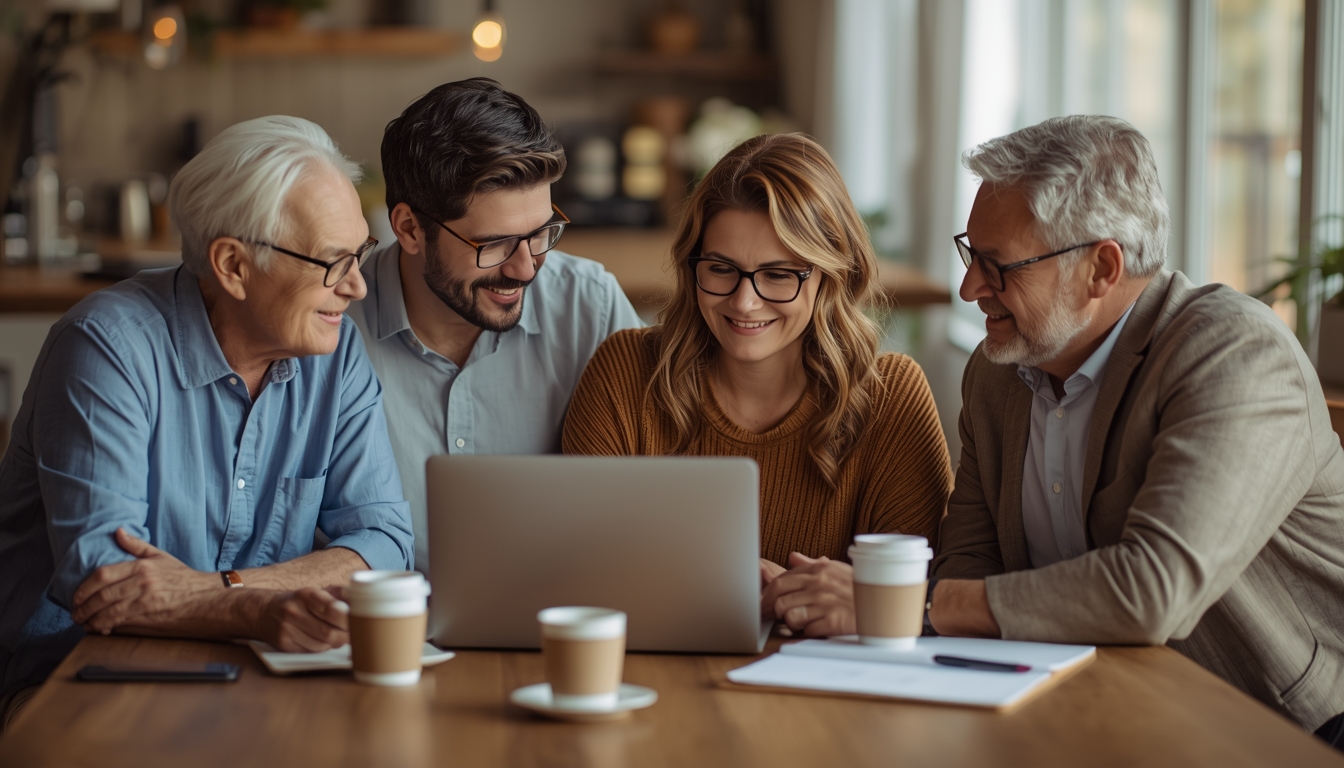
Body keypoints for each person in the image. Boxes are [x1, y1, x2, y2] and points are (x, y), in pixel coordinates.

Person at [929, 115, 1344, 748]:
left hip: (1284, 728)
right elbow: (968, 563)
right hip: (1094, 711)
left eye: (997, 265)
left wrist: (916, 606)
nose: (968, 287)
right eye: (970, 253)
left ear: (1101, 268)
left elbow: (1151, 590)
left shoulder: (1235, 353)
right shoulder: (995, 378)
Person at [0, 116, 415, 730]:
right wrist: (257, 611)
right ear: (233, 265)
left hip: (261, 671)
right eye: (333, 262)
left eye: (361, 254)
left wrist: (218, 590)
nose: (355, 285)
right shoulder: (106, 346)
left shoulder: (337, 355)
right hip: (77, 679)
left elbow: (383, 543)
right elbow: (102, 581)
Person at [562, 133, 954, 638]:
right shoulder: (626, 373)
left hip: (834, 696)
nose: (744, 303)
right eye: (722, 269)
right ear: (692, 266)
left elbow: (915, 600)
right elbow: (577, 568)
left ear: (830, 275)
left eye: (778, 275)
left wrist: (851, 599)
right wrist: (708, 583)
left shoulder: (892, 398)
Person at [352, 78, 643, 574]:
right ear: (408, 229)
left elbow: (660, 492)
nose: (526, 269)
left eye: (541, 234)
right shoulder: (332, 322)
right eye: (494, 244)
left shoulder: (588, 306)